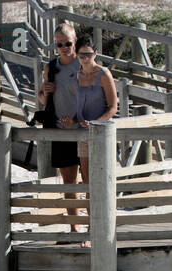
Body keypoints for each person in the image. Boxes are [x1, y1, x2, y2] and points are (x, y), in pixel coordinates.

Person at [37, 23, 84, 233]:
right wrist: (46, 91)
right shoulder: (51, 67)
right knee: (69, 183)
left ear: (75, 41)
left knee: (92, 183)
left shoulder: (85, 63)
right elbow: (42, 98)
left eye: (67, 43)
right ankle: (75, 229)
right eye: (59, 44)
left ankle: (93, 228)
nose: (64, 47)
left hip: (84, 130)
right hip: (60, 130)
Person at [73, 35, 118, 232]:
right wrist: (73, 120)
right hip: (83, 133)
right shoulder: (77, 75)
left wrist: (96, 124)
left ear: (95, 54)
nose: (85, 59)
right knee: (87, 182)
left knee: (103, 180)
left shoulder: (104, 74)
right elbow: (79, 106)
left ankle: (104, 225)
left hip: (101, 133)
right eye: (82, 55)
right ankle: (92, 226)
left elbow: (113, 107)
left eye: (89, 55)